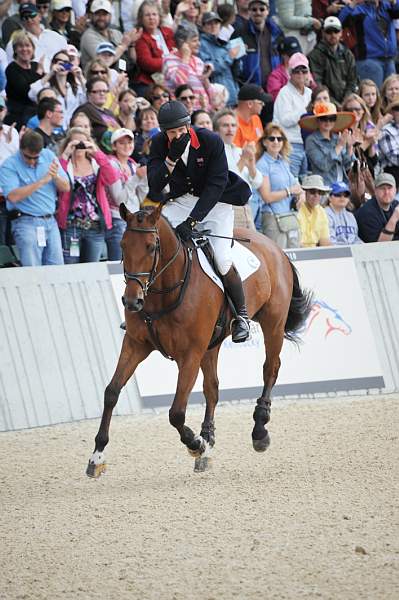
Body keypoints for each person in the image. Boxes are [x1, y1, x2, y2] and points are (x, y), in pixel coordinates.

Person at [148, 100, 252, 342]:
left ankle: (241, 316)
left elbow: (216, 186)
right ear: (164, 132)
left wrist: (193, 222)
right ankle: (144, 305)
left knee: (223, 259)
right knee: (152, 237)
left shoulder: (210, 140)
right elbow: (155, 186)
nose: (176, 136)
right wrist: (170, 160)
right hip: (182, 201)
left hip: (215, 203)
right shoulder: (159, 144)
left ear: (188, 125)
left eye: (180, 131)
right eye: (171, 132)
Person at [0, 130, 69, 266]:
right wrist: (42, 181)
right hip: (25, 222)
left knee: (58, 270)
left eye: (36, 158)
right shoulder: (10, 164)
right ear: (21, 149)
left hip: (50, 220)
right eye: (28, 157)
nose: (32, 161)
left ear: (41, 151)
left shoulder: (48, 156)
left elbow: (66, 187)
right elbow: (12, 196)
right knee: (32, 271)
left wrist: (55, 177)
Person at [57, 126, 120, 263]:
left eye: (82, 143)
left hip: (94, 226)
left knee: (92, 268)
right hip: (71, 225)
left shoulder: (96, 165)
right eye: (75, 143)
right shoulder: (65, 165)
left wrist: (97, 153)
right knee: (70, 268)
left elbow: (112, 178)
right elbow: (56, 181)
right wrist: (65, 155)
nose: (79, 146)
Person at [253, 122, 303, 246]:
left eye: (279, 138)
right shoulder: (262, 164)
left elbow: (296, 185)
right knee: (279, 260)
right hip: (272, 218)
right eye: (272, 138)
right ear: (264, 142)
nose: (276, 141)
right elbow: (267, 197)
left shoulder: (284, 162)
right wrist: (289, 191)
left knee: (293, 257)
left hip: (288, 216)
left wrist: (301, 194)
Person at [213, 107, 263, 229]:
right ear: (216, 130)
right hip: (228, 209)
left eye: (233, 125)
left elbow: (257, 182)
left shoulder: (239, 150)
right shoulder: (214, 152)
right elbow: (228, 181)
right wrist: (243, 160)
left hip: (247, 208)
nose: (230, 129)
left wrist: (251, 165)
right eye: (225, 125)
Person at [338, 0, 399, 89]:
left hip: (389, 59)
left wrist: (393, 1)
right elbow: (340, 22)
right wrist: (353, 3)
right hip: (369, 60)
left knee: (392, 97)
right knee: (372, 97)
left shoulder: (387, 6)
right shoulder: (359, 9)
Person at [273, 52, 312, 178]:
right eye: (296, 71)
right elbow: (285, 120)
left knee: (306, 184)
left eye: (304, 70)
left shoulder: (310, 93)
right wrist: (305, 111)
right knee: (292, 183)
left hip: (308, 145)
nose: (300, 74)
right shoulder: (284, 93)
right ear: (290, 73)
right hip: (290, 145)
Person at [106, 128, 142, 260]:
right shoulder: (111, 165)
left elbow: (139, 196)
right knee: (119, 263)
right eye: (121, 143)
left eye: (129, 142)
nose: (127, 146)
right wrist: (137, 178)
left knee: (134, 262)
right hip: (118, 219)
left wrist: (144, 180)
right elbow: (119, 200)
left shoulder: (133, 165)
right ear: (114, 146)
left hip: (134, 218)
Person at [300, 101, 355, 186]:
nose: (328, 122)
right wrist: (339, 146)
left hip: (342, 186)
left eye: (332, 118)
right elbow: (324, 165)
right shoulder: (311, 140)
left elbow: (347, 165)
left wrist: (349, 147)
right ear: (318, 120)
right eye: (324, 118)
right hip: (324, 187)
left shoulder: (337, 138)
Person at [28, 49, 86, 128]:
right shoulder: (47, 86)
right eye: (57, 61)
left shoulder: (74, 87)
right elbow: (32, 93)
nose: (62, 65)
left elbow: (87, 99)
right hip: (54, 128)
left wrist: (80, 77)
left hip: (72, 128)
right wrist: (51, 73)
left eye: (66, 63)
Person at [308, 16, 357, 106]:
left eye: (336, 31)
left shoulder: (348, 54)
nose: (333, 35)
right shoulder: (315, 55)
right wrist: (335, 104)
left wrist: (346, 101)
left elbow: (352, 81)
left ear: (341, 33)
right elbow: (317, 83)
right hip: (325, 102)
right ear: (323, 33)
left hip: (347, 103)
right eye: (329, 31)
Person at [162, 23, 213, 112]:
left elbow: (209, 92)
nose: (199, 44)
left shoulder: (198, 61)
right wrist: (185, 58)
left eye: (198, 40)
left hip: (203, 111)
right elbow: (180, 83)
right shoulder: (169, 60)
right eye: (194, 41)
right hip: (183, 112)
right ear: (183, 43)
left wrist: (205, 78)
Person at [5, 2, 68, 72]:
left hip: (59, 76)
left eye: (32, 15)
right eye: (25, 17)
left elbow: (68, 58)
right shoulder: (15, 43)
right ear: (21, 20)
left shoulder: (55, 36)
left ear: (40, 16)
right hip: (32, 80)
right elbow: (11, 69)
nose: (29, 19)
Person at [79, 0, 140, 69]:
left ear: (110, 16)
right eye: (97, 14)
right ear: (91, 16)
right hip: (97, 78)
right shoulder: (88, 36)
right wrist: (123, 45)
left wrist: (131, 45)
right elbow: (104, 62)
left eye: (104, 14)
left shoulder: (117, 33)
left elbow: (133, 61)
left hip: (122, 76)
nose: (101, 18)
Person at [239, 0, 283, 88]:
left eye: (262, 9)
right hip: (252, 88)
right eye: (254, 9)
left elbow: (283, 58)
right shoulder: (240, 33)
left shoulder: (277, 32)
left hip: (274, 86)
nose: (258, 12)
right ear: (249, 12)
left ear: (268, 11)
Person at [134, 0, 175, 93]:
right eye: (147, 15)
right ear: (141, 18)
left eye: (154, 14)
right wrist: (168, 60)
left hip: (171, 79)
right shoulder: (140, 37)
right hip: (149, 83)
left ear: (159, 16)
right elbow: (147, 63)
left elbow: (176, 55)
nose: (151, 18)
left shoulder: (168, 32)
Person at [4, 31, 43, 129]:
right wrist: (39, 74)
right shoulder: (11, 68)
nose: (24, 49)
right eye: (20, 46)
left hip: (36, 111)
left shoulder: (35, 66)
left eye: (27, 45)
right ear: (15, 50)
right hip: (19, 115)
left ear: (33, 49)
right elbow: (27, 91)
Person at [199, 10, 238, 105]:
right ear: (203, 27)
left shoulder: (225, 43)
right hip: (216, 98)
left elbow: (236, 72)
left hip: (232, 94)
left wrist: (237, 59)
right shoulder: (201, 44)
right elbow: (209, 70)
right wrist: (229, 58)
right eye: (209, 23)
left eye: (216, 23)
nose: (213, 26)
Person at [72, 76, 121, 150]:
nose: (102, 94)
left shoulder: (109, 113)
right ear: (89, 94)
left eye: (105, 91)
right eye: (97, 91)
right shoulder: (85, 110)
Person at [355, 171, 399, 242]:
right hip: (368, 251)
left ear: (396, 190)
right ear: (375, 191)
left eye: (389, 188)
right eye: (382, 188)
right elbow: (380, 246)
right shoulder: (366, 212)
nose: (386, 192)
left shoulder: (395, 205)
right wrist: (394, 218)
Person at [0, 97, 20, 245]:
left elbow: (18, 162)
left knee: (12, 241)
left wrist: (10, 144)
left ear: (5, 111)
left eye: (0, 109)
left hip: (11, 195)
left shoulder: (11, 132)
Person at [297, 174, 332, 247]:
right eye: (312, 192)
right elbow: (295, 242)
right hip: (298, 251)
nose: (316, 195)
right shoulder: (297, 209)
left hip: (315, 253)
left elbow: (325, 241)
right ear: (305, 192)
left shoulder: (321, 211)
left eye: (319, 192)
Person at [267, 35, 302, 101]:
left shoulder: (304, 69)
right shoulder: (275, 75)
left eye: (297, 54)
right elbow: (276, 96)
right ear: (283, 55)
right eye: (291, 55)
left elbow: (314, 88)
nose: (295, 57)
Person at [233, 83, 268, 148]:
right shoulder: (232, 123)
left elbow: (261, 144)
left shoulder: (256, 118)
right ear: (250, 104)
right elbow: (235, 154)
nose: (263, 105)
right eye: (261, 103)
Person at [378, 95, 399, 186]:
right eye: (397, 109)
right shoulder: (387, 130)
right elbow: (394, 158)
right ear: (392, 112)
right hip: (393, 177)